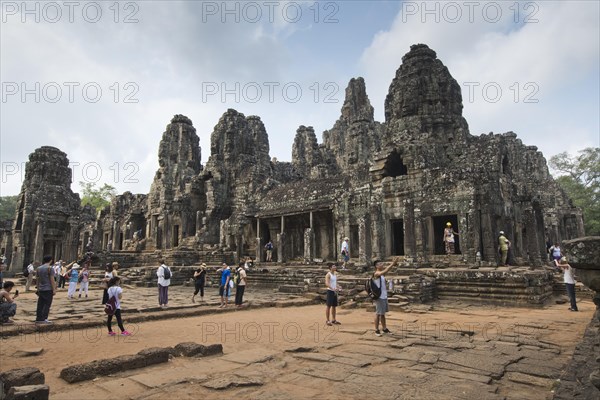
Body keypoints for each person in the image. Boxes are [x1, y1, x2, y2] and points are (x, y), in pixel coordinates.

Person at [372, 257, 399, 336]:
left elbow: (387, 271)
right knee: (378, 313)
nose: (382, 265)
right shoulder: (376, 274)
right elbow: (386, 270)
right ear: (376, 266)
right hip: (379, 297)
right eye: (380, 264)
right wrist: (392, 264)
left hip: (384, 296)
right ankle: (376, 330)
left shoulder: (382, 274)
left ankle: (384, 328)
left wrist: (393, 265)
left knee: (382, 313)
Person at [35, 255, 57, 324]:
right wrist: (54, 289)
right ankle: (44, 318)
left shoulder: (38, 268)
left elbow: (37, 279)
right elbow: (52, 280)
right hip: (48, 289)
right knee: (47, 304)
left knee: (40, 304)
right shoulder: (50, 268)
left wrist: (38, 288)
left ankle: (39, 318)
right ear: (50, 260)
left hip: (41, 289)